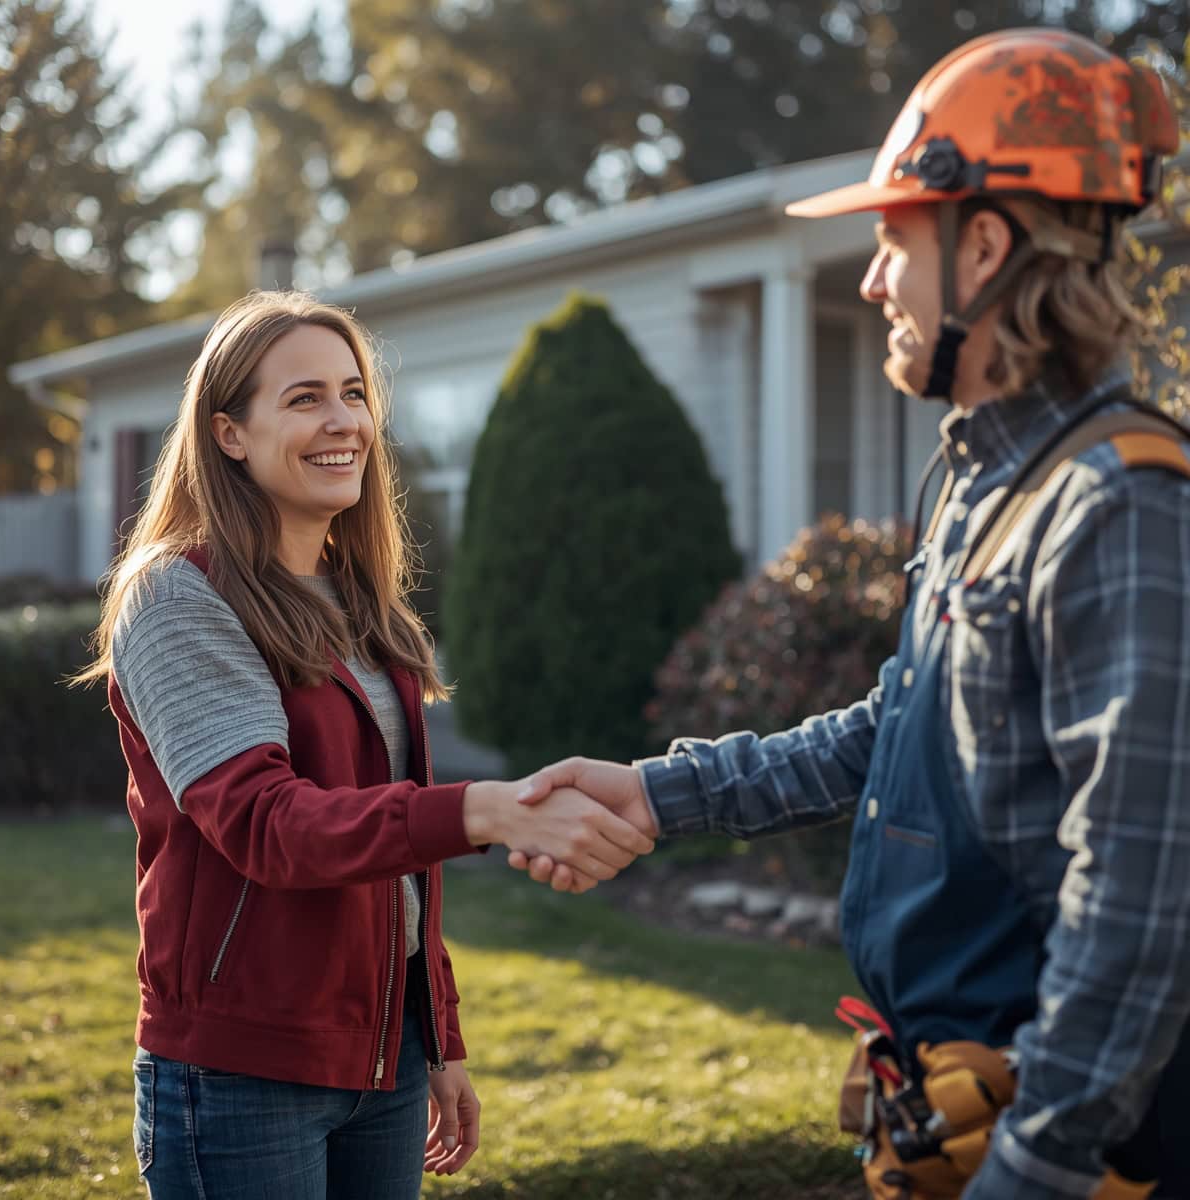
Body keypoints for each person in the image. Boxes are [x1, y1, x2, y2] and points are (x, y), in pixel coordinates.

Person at [510, 28, 1190, 1200]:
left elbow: (1140, 894)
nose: (874, 282)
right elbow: (895, 732)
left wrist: (1035, 1166)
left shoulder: (1116, 507)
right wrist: (659, 794)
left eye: (893, 242)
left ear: (985, 247)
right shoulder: (987, 487)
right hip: (958, 1123)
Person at [73, 290, 654, 1200]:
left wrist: (437, 1036)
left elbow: (395, 861)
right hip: (242, 1072)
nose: (343, 420)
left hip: (384, 1057)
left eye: (353, 393)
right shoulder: (179, 597)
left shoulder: (357, 600)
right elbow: (269, 826)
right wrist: (483, 810)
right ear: (230, 434)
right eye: (304, 398)